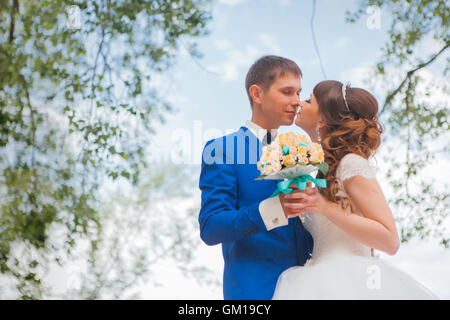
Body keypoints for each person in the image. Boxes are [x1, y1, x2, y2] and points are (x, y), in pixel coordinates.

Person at [272, 80, 438, 299]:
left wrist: (324, 207)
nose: (300, 103)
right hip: (317, 280)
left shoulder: (350, 164)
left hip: (350, 281)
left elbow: (389, 240)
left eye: (309, 100)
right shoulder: (323, 171)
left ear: (323, 119)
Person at [198, 55, 314, 299]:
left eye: (298, 93)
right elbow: (211, 226)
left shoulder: (300, 153)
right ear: (257, 94)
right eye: (287, 92)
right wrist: (276, 209)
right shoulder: (222, 149)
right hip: (255, 293)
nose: (297, 102)